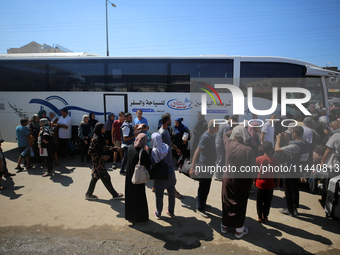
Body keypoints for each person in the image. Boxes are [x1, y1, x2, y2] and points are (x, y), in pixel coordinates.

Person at [221, 126, 256, 238]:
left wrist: (234, 130)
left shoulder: (228, 145)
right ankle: (239, 230)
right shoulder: (248, 151)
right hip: (241, 182)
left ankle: (224, 226)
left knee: (227, 202)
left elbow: (225, 134)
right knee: (239, 205)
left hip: (228, 180)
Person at [275, 126, 310, 216]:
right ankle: (294, 207)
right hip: (299, 169)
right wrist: (287, 139)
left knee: (288, 190)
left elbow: (277, 150)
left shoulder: (295, 146)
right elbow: (293, 146)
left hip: (290, 171)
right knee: (295, 189)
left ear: (294, 133)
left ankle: (289, 210)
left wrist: (278, 139)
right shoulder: (305, 143)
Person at [85, 123, 123, 200]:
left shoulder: (100, 137)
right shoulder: (95, 139)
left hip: (100, 162)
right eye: (103, 127)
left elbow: (104, 148)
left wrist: (115, 149)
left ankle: (88, 194)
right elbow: (90, 152)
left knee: (95, 177)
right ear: (99, 129)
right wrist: (102, 157)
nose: (104, 129)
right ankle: (115, 194)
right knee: (106, 177)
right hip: (98, 163)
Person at [190, 119, 219, 218]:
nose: (219, 127)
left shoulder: (211, 136)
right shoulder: (205, 137)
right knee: (203, 187)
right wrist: (192, 167)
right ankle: (199, 208)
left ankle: (203, 204)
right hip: (204, 166)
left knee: (206, 187)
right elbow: (197, 151)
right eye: (218, 126)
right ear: (214, 127)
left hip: (209, 166)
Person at [153, 115, 177, 219]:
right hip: (164, 168)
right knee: (161, 192)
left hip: (168, 167)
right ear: (167, 121)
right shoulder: (161, 133)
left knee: (170, 191)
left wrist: (175, 148)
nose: (171, 121)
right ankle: (160, 212)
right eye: (170, 119)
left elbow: (168, 142)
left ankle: (169, 211)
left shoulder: (166, 131)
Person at [125, 133, 151, 224]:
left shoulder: (130, 147)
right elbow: (148, 164)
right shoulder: (142, 152)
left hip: (129, 177)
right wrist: (146, 151)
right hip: (137, 178)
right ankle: (140, 218)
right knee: (139, 198)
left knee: (130, 197)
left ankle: (130, 216)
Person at [254, 141, 279, 223]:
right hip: (270, 184)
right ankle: (265, 216)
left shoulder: (258, 159)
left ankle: (259, 216)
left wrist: (254, 181)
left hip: (260, 183)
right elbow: (277, 173)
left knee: (259, 201)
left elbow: (255, 172)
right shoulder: (275, 160)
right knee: (268, 201)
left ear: (262, 149)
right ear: (272, 150)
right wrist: (277, 183)